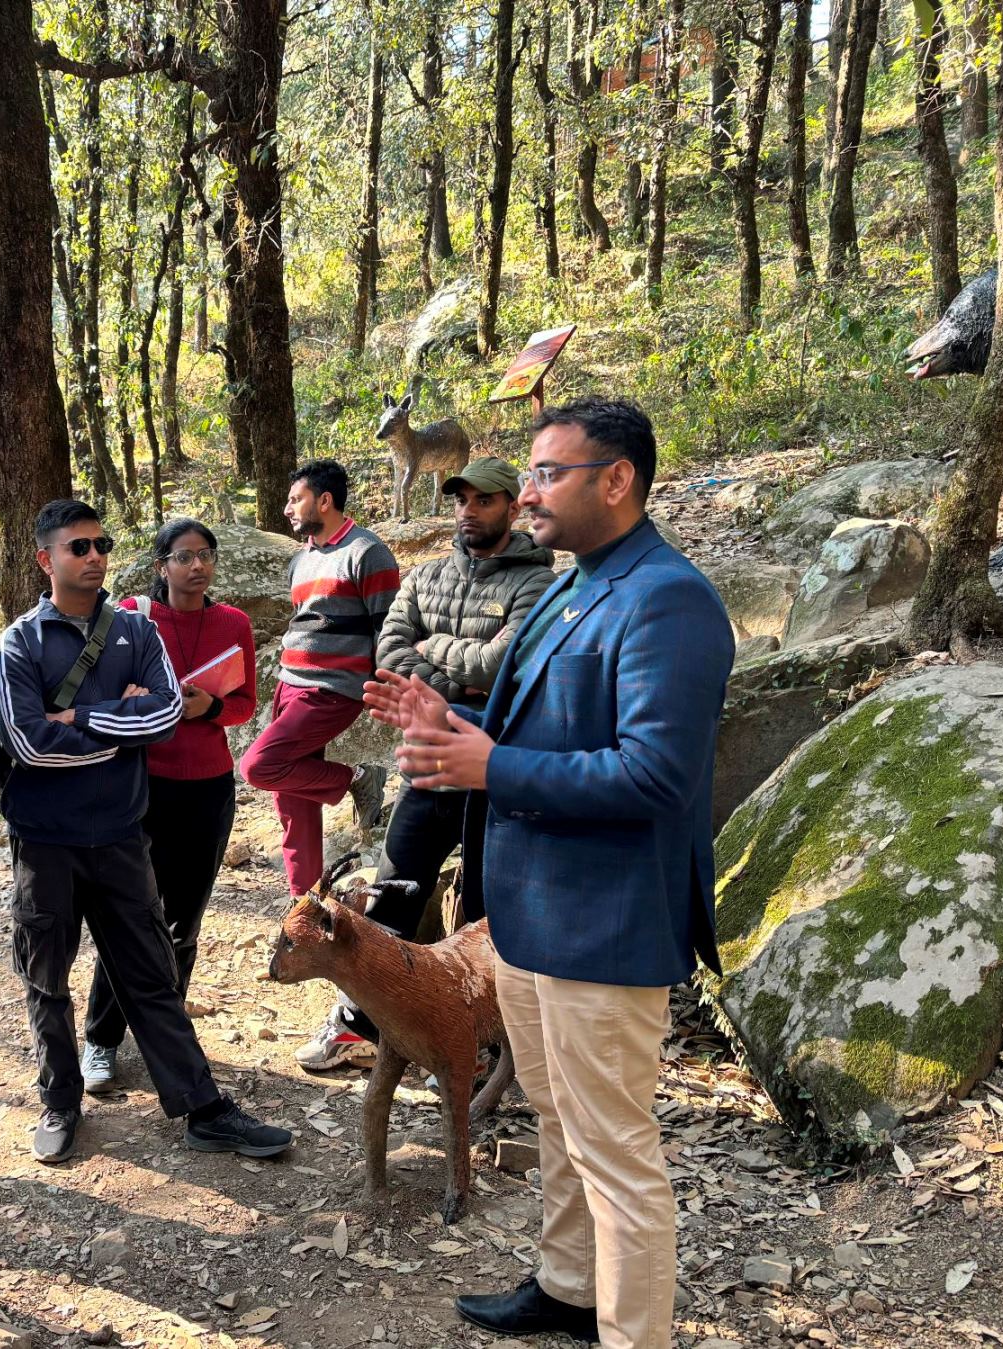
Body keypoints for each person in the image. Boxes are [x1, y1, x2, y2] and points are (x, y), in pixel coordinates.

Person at [365, 399, 733, 1349]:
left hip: (603, 924)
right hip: (529, 918)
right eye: (527, 473)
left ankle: (632, 1331)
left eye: (546, 474)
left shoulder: (668, 599)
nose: (525, 491)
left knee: (613, 1149)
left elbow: (653, 775)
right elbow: (532, 730)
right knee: (557, 1118)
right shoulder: (573, 586)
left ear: (616, 479)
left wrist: (491, 767)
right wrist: (452, 728)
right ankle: (569, 1286)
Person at [0, 499, 292, 1165]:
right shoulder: (19, 642)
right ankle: (60, 1098)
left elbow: (162, 718)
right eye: (78, 546)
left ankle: (200, 1106)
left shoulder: (133, 631)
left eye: (100, 543)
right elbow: (29, 743)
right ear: (46, 559)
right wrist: (114, 722)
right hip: (45, 839)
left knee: (151, 971)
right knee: (47, 975)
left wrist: (78, 717)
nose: (94, 555)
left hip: (121, 833)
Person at [296, 457, 554, 1071]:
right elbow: (388, 648)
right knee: (392, 894)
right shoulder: (427, 576)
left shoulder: (538, 585)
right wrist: (442, 689)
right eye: (460, 499)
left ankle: (487, 1041)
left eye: (484, 500)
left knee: (488, 908)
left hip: (493, 768)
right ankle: (359, 1026)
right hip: (423, 764)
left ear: (511, 507)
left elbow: (506, 666)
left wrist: (430, 651)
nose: (468, 510)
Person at [81, 518, 257, 1093]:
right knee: (128, 913)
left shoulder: (233, 623)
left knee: (184, 917)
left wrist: (208, 707)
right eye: (184, 556)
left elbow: (246, 705)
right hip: (142, 783)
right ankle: (101, 1040)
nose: (197, 565)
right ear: (162, 567)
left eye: (205, 554)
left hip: (208, 784)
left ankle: (166, 1035)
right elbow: (103, 689)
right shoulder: (133, 617)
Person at [240, 458, 399, 897]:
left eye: (296, 499)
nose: (288, 509)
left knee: (259, 766)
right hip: (290, 685)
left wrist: (385, 688)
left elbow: (389, 627)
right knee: (292, 798)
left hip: (332, 690)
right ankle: (305, 901)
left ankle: (357, 778)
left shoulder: (367, 552)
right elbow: (304, 624)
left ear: (324, 500)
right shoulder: (302, 559)